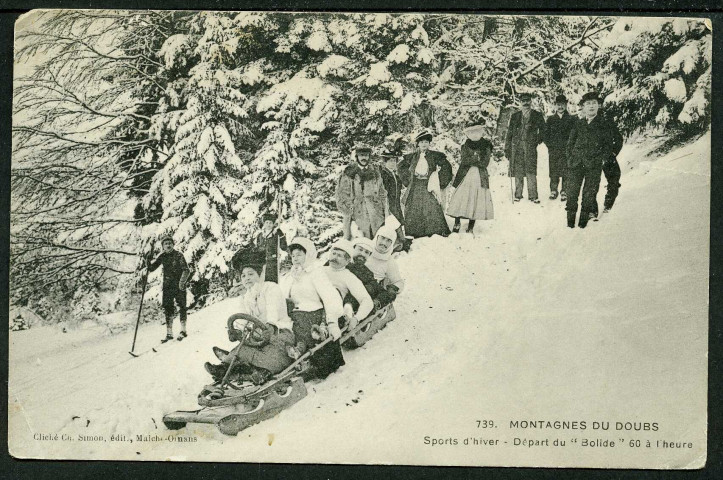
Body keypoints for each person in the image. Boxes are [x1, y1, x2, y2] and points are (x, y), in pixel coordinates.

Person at [204, 250, 296, 385]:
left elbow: (273, 311)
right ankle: (225, 368)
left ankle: (262, 371)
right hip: (258, 336)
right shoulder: (246, 296)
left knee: (272, 353)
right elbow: (243, 318)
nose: (247, 278)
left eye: (251, 274)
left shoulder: (271, 288)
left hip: (279, 333)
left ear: (259, 274)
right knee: (241, 350)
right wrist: (236, 330)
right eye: (243, 275)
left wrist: (270, 325)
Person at [280, 237, 345, 378]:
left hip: (312, 313)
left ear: (308, 254)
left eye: (299, 254)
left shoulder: (315, 273)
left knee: (306, 335)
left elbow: (330, 297)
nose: (295, 258)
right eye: (293, 255)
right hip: (294, 315)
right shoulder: (290, 276)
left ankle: (308, 358)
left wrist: (332, 321)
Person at [565, 92, 623, 229]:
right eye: (588, 104)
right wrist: (570, 158)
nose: (591, 106)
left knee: (589, 194)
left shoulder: (604, 123)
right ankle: (569, 225)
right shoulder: (579, 124)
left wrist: (604, 158)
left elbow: (609, 144)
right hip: (576, 164)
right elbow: (570, 143)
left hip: (593, 164)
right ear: (583, 107)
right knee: (571, 193)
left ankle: (583, 224)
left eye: (594, 103)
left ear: (598, 106)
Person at [398, 130, 452, 237]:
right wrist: (408, 180)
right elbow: (400, 167)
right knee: (414, 207)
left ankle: (433, 231)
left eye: (426, 142)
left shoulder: (434, 156)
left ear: (429, 144)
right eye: (421, 142)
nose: (424, 144)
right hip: (415, 186)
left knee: (431, 207)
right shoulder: (412, 157)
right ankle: (415, 232)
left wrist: (438, 180)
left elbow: (447, 167)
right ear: (417, 144)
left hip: (428, 186)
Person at [447, 124, 495, 233]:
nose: (474, 135)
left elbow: (484, 162)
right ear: (468, 134)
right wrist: (476, 158)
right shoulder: (465, 145)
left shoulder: (486, 145)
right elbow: (464, 160)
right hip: (465, 175)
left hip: (480, 176)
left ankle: (471, 226)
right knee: (461, 197)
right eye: (471, 133)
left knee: (476, 199)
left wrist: (473, 159)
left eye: (477, 132)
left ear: (481, 132)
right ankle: (457, 222)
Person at [336, 143, 389, 240]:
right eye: (361, 155)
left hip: (375, 212)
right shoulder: (349, 173)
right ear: (357, 157)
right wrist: (350, 210)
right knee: (360, 239)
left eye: (366, 155)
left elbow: (382, 191)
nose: (364, 158)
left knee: (377, 237)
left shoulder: (375, 172)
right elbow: (342, 194)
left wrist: (382, 207)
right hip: (358, 212)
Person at [322, 239, 374, 329]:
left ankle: (323, 329)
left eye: (339, 256)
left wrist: (356, 318)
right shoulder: (320, 270)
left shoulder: (349, 277)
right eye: (333, 254)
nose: (334, 258)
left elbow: (367, 300)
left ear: (347, 261)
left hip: (332, 310)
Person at [147, 235, 190, 343]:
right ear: (163, 246)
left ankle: (183, 330)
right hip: (168, 286)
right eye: (166, 244)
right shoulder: (162, 256)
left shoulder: (179, 255)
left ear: (173, 244)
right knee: (168, 309)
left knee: (182, 307)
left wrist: (182, 282)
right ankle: (169, 333)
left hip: (179, 286)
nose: (168, 245)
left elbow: (186, 270)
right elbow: (152, 268)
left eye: (170, 243)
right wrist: (147, 259)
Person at [505, 93, 546, 203]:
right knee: (518, 170)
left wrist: (536, 140)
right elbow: (509, 134)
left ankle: (533, 195)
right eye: (523, 101)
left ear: (531, 102)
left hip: (530, 147)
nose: (526, 103)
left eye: (528, 100)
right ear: (520, 102)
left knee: (530, 170)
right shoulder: (515, 116)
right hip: (517, 147)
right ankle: (518, 195)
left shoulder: (537, 115)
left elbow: (543, 130)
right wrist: (507, 148)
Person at [544, 94, 576, 201]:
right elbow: (545, 135)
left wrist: (571, 147)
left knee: (567, 170)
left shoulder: (572, 119)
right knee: (554, 170)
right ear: (555, 106)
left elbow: (575, 135)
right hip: (554, 150)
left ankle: (564, 191)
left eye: (562, 104)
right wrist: (550, 146)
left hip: (567, 150)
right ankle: (553, 190)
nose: (560, 107)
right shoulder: (550, 119)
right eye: (558, 105)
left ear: (566, 105)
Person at [350, 237, 397, 308]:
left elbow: (381, 291)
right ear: (353, 249)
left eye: (366, 252)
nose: (362, 254)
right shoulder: (338, 263)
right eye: (360, 249)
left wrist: (377, 301)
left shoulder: (366, 272)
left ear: (369, 256)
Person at [364, 223, 405, 300]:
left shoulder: (389, 261)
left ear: (392, 243)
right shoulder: (365, 250)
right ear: (377, 237)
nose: (384, 243)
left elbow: (399, 282)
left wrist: (393, 289)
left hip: (371, 291)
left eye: (388, 240)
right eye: (382, 238)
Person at [379, 148, 405, 247]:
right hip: (388, 204)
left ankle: (399, 242)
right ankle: (394, 244)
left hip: (395, 203)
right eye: (390, 161)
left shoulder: (396, 176)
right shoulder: (383, 175)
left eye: (394, 161)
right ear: (385, 163)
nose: (392, 163)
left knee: (396, 221)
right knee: (390, 222)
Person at [253, 212, 287, 283]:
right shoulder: (260, 235)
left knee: (272, 282)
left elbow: (284, 247)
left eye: (270, 223)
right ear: (264, 224)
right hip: (262, 262)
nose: (268, 224)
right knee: (262, 282)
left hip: (273, 262)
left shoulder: (276, 234)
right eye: (267, 222)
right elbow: (257, 248)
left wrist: (281, 236)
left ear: (273, 224)